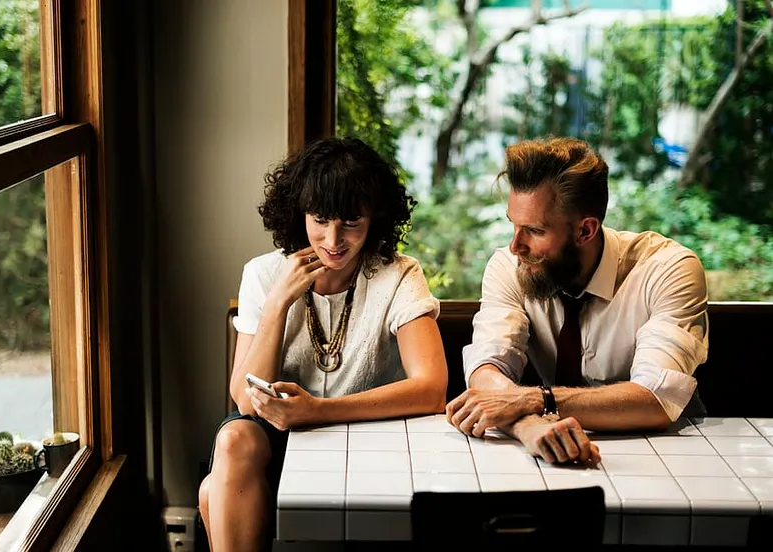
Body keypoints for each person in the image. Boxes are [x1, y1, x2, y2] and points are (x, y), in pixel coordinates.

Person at [198, 137, 448, 552]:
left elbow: (432, 387)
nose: (333, 240)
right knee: (234, 438)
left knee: (211, 493)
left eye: (351, 223)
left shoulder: (398, 274)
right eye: (321, 220)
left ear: (375, 219)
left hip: (372, 436)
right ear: (301, 215)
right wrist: (278, 302)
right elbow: (246, 400)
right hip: (279, 442)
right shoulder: (263, 274)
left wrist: (318, 411)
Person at [447, 136, 708, 466]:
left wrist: (536, 401)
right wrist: (528, 426)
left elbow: (656, 399)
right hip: (551, 455)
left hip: (674, 456)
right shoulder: (509, 266)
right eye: (513, 225)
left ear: (585, 231)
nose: (515, 246)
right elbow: (487, 369)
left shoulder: (668, 269)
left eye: (534, 230)